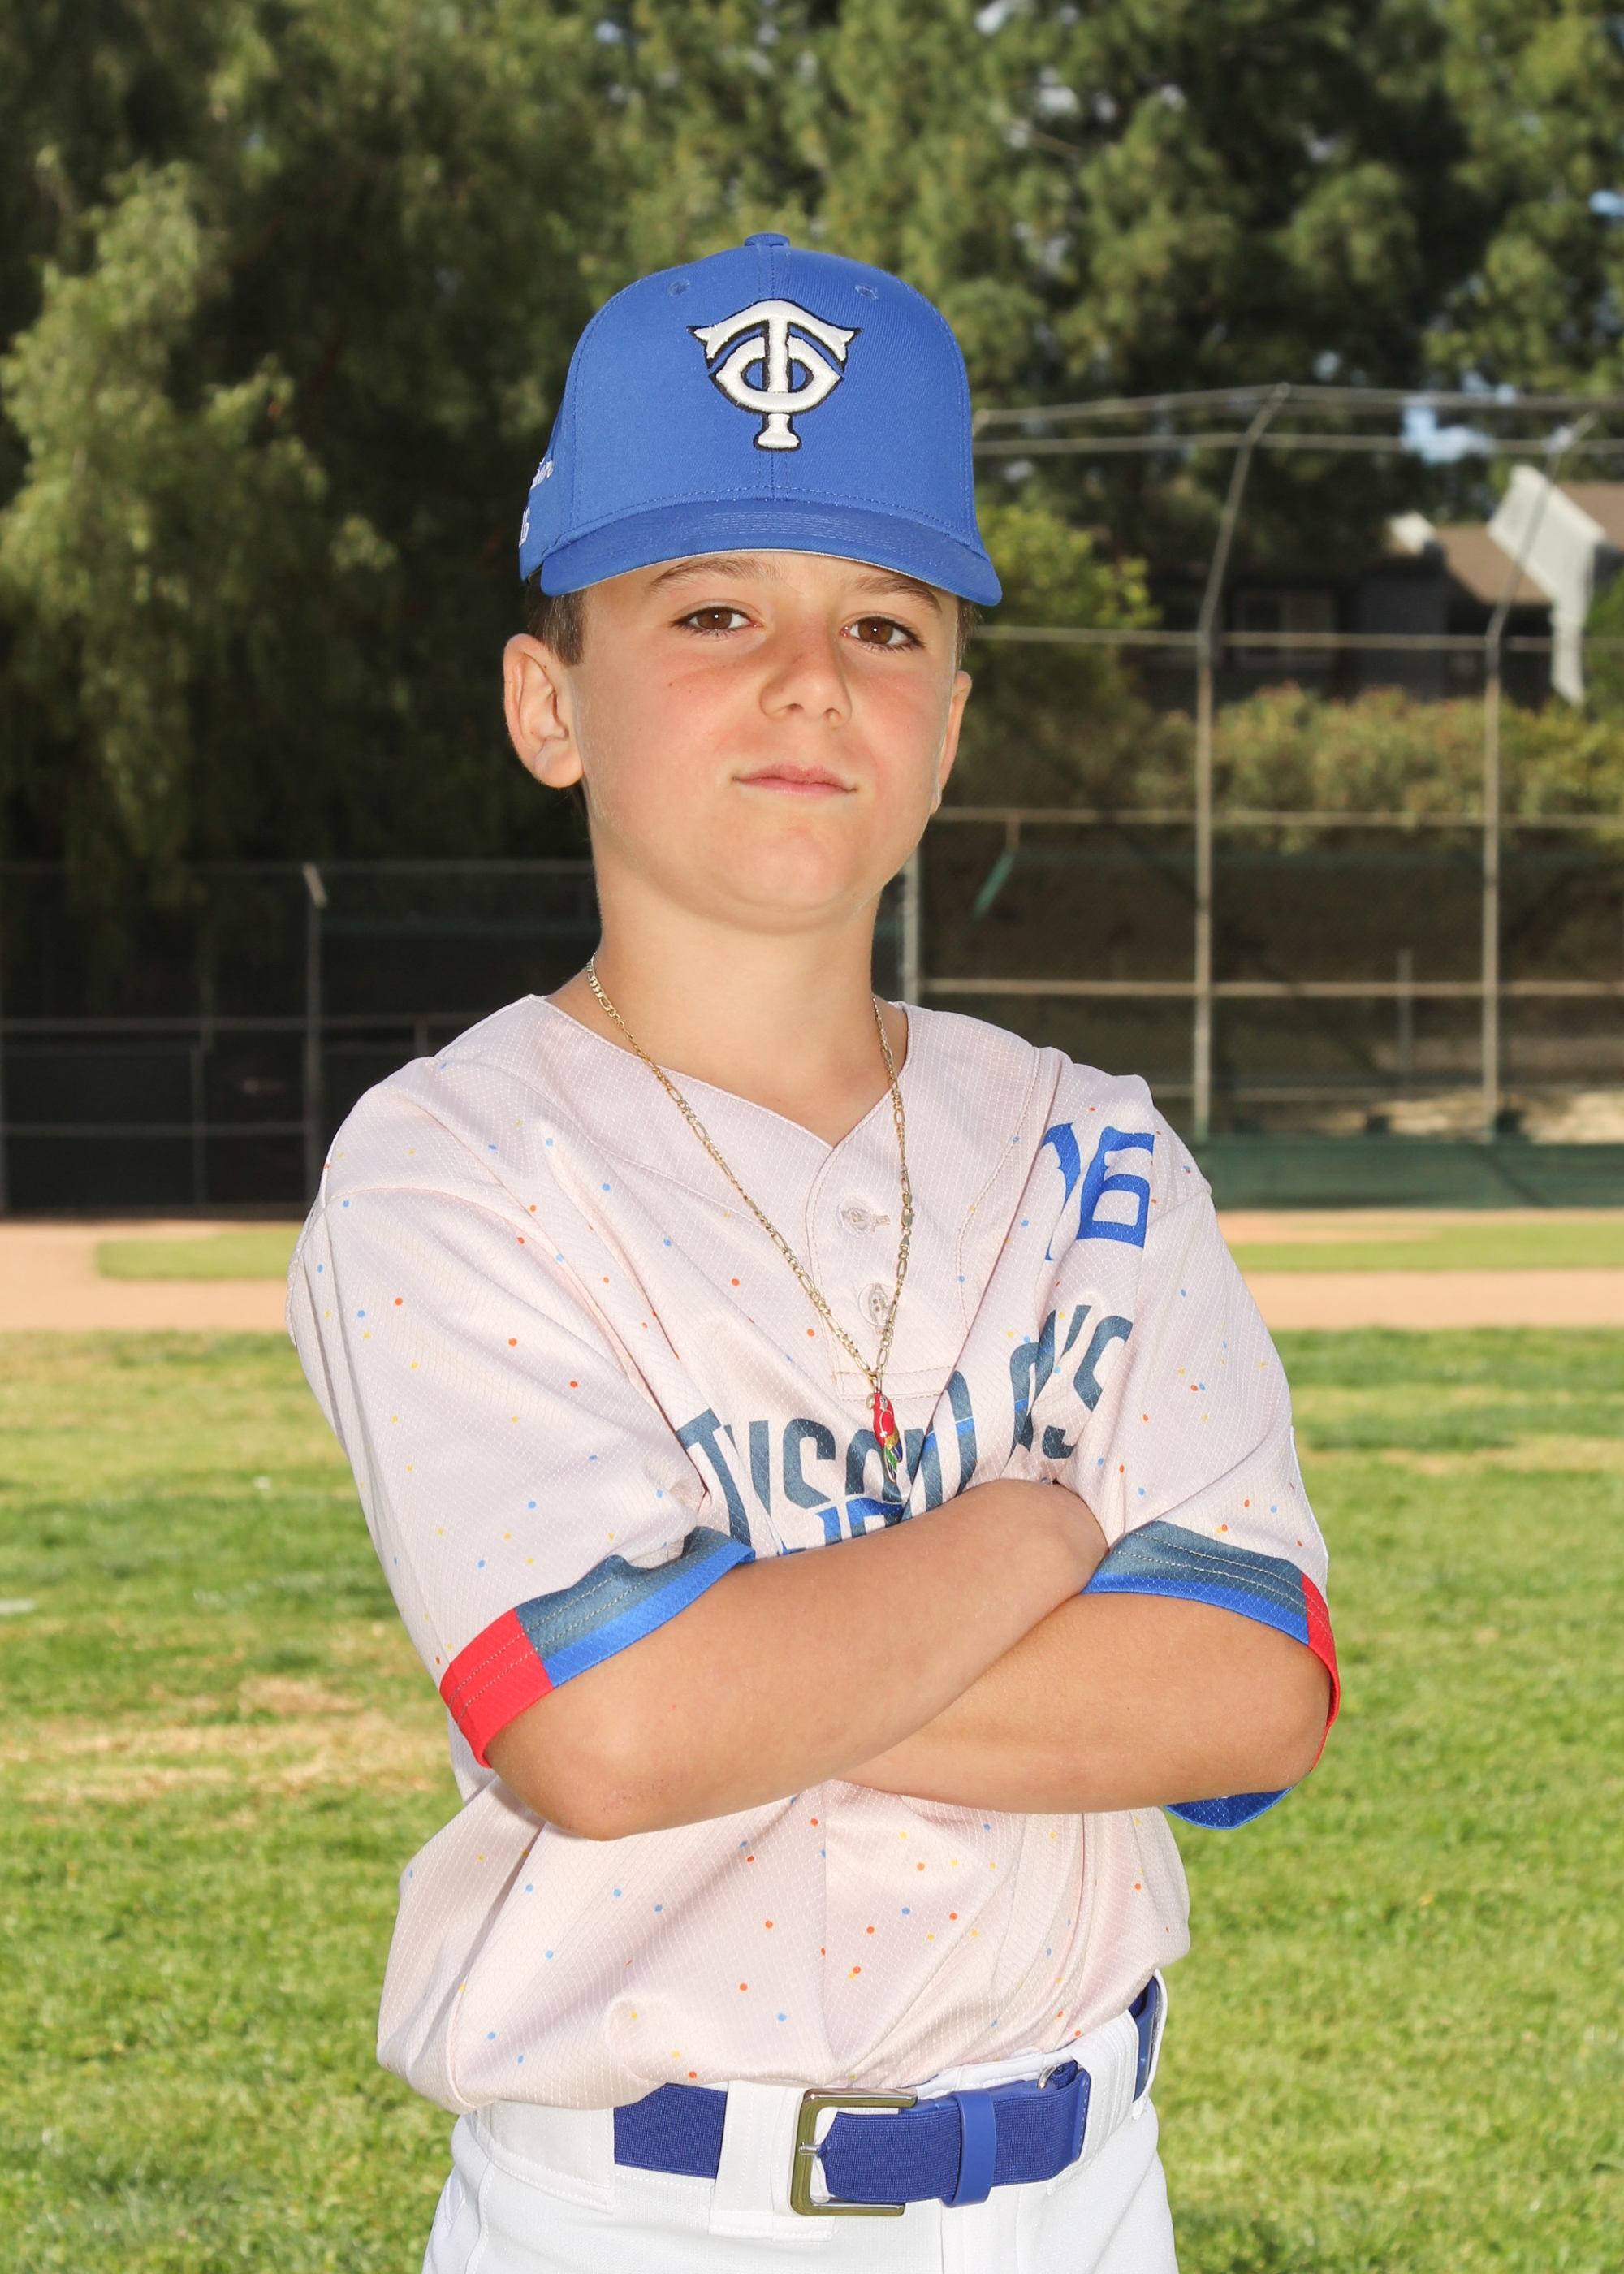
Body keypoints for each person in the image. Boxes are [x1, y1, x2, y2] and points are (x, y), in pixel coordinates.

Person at [288, 232, 1338, 2274]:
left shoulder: (1092, 1150)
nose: (806, 677)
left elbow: (1248, 1690)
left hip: (1084, 2197)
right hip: (645, 2216)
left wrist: (737, 1654)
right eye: (711, 609)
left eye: (883, 621)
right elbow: (603, 1734)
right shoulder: (454, 1164)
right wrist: (1033, 1533)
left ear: (948, 723)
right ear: (547, 700)